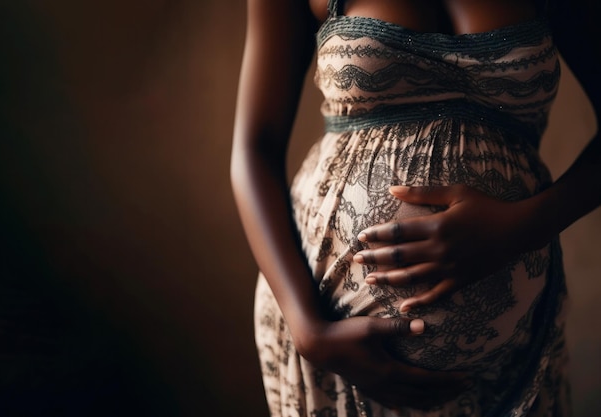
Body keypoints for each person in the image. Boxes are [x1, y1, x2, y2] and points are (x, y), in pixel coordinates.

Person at [231, 0, 600, 415]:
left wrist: (525, 228)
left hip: (512, 365)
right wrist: (309, 331)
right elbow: (253, 147)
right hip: (330, 343)